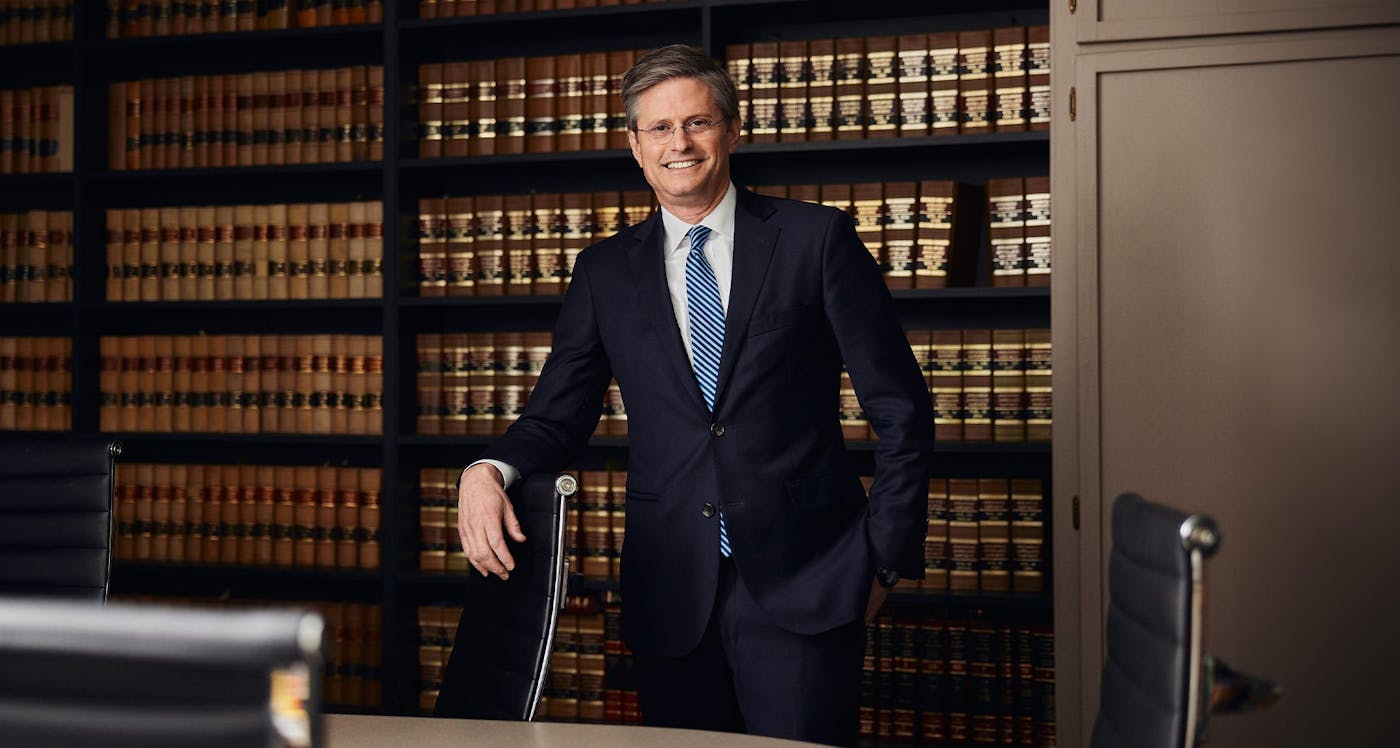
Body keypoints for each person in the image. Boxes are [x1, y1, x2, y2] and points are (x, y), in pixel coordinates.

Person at [455, 44, 933, 745]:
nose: (680, 143)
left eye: (698, 123)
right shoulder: (604, 272)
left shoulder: (815, 241)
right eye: (659, 128)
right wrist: (486, 470)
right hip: (670, 586)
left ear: (731, 131)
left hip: (809, 581)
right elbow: (556, 416)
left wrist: (883, 557)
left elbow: (902, 410)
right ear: (636, 147)